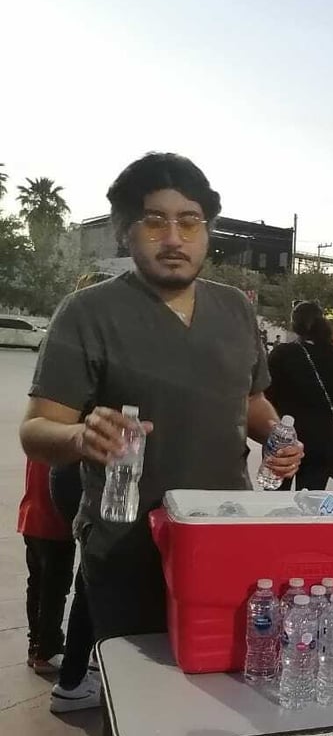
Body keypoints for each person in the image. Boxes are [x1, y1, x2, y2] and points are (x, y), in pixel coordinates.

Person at [19, 151, 302, 655]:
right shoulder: (88, 313)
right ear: (125, 230)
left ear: (207, 231)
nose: (174, 239)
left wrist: (279, 437)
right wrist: (82, 437)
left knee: (221, 680)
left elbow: (253, 400)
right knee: (139, 706)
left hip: (224, 535)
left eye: (189, 222)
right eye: (155, 222)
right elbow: (37, 429)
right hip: (130, 547)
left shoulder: (234, 308)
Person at [267, 302, 333, 490]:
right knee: (311, 501)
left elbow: (266, 394)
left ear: (295, 325)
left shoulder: (282, 354)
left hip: (286, 435)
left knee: (275, 498)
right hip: (324, 437)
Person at [17, 459, 75, 675]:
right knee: (54, 590)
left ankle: (36, 647)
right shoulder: (64, 440)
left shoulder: (44, 433)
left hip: (31, 518)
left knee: (37, 586)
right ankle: (48, 651)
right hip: (55, 525)